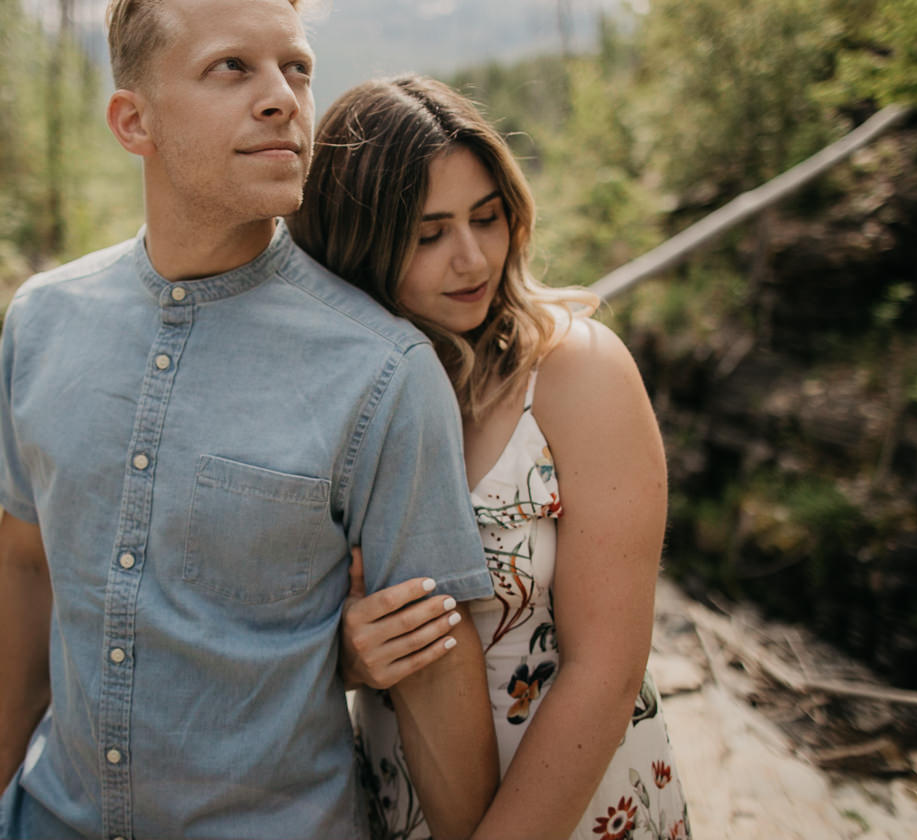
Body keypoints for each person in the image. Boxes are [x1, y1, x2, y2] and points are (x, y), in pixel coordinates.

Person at [0, 0, 501, 840]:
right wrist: (4, 787)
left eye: (297, 68)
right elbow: (25, 562)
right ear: (133, 123)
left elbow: (430, 659)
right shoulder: (42, 319)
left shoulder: (382, 368)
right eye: (232, 68)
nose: (284, 99)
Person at [289, 75, 691, 840]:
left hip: (573, 802)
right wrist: (345, 657)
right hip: (399, 797)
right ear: (354, 243)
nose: (471, 259)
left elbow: (605, 672)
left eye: (486, 218)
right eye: (427, 233)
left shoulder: (577, 373)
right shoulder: (333, 400)